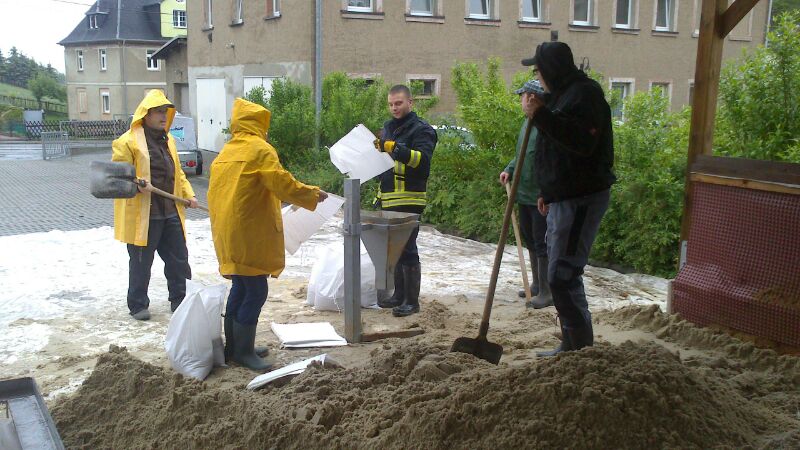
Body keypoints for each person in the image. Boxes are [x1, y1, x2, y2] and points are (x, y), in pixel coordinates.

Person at [208, 98, 327, 371]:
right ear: (258, 124)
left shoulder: (225, 152)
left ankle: (234, 347)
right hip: (249, 231)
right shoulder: (260, 150)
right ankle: (243, 351)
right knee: (256, 290)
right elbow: (281, 183)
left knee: (240, 286)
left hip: (228, 232)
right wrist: (311, 194)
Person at [521, 42, 616, 356]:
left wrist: (540, 114)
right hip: (564, 198)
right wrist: (548, 192)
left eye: (538, 70)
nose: (537, 76)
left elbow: (581, 142)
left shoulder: (585, 95)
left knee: (562, 275)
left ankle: (580, 350)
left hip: (582, 198)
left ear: (551, 69)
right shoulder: (564, 96)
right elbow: (556, 151)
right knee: (559, 273)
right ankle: (572, 343)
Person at [112, 89, 199, 321]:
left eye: (165, 112)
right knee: (141, 263)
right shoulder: (127, 142)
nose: (163, 116)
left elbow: (178, 173)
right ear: (146, 114)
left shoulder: (169, 140)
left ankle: (181, 299)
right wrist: (136, 184)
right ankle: (138, 304)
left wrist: (189, 195)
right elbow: (119, 176)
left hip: (170, 212)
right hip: (144, 216)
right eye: (158, 112)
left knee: (179, 260)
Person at [373, 85, 437, 317]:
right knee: (395, 251)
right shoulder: (389, 127)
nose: (394, 108)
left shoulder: (422, 129)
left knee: (408, 249)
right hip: (388, 198)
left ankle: (412, 301)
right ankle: (399, 296)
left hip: (410, 199)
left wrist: (396, 148)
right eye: (391, 104)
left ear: (411, 102)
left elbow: (422, 161)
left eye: (398, 103)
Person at [500, 79, 552, 309]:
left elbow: (548, 160)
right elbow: (523, 153)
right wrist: (509, 169)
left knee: (542, 242)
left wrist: (546, 192)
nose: (521, 101)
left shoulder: (545, 125)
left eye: (522, 96)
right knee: (530, 238)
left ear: (531, 98)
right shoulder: (527, 123)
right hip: (523, 193)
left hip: (539, 196)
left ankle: (547, 291)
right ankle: (538, 284)